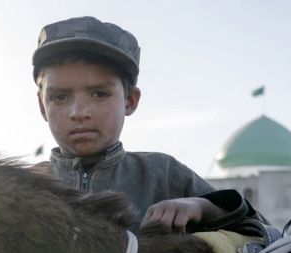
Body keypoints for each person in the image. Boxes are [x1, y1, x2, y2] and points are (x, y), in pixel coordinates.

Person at [32, 16, 265, 234]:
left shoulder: (162, 175)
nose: (79, 112)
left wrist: (201, 208)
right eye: (60, 97)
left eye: (100, 94)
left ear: (130, 101)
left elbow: (260, 232)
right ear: (43, 107)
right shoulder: (24, 187)